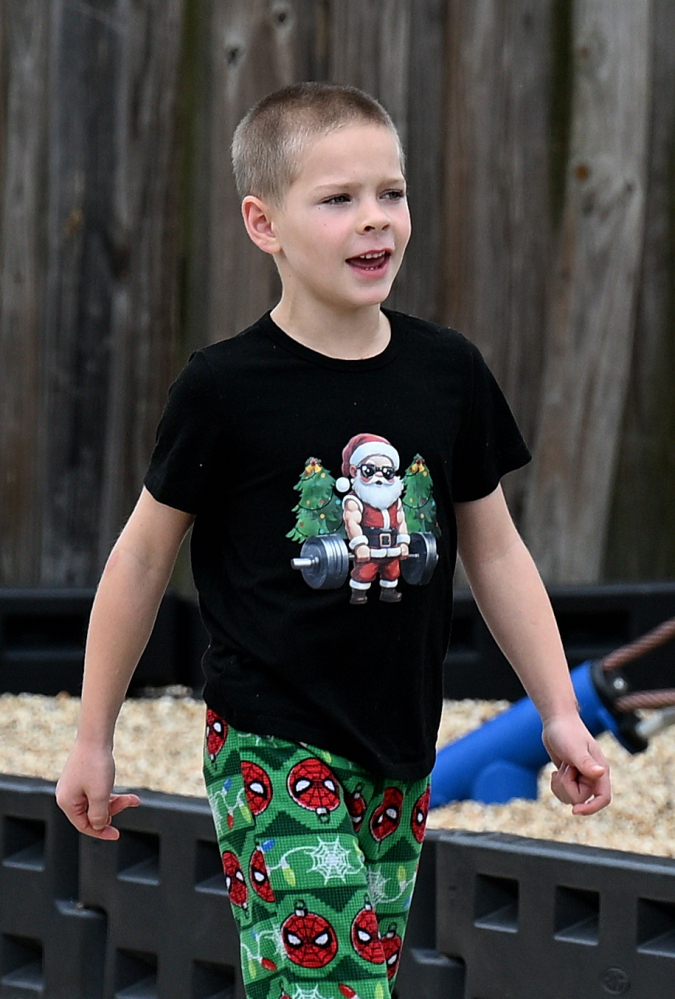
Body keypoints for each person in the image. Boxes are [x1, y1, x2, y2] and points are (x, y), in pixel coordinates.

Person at [56, 82, 611, 999]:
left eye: (391, 192)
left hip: (401, 741)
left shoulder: (447, 372)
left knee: (347, 976)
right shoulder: (224, 388)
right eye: (337, 198)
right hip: (271, 742)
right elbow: (143, 559)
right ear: (262, 224)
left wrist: (557, 709)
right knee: (330, 983)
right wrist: (92, 737)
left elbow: (496, 551)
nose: (374, 218)